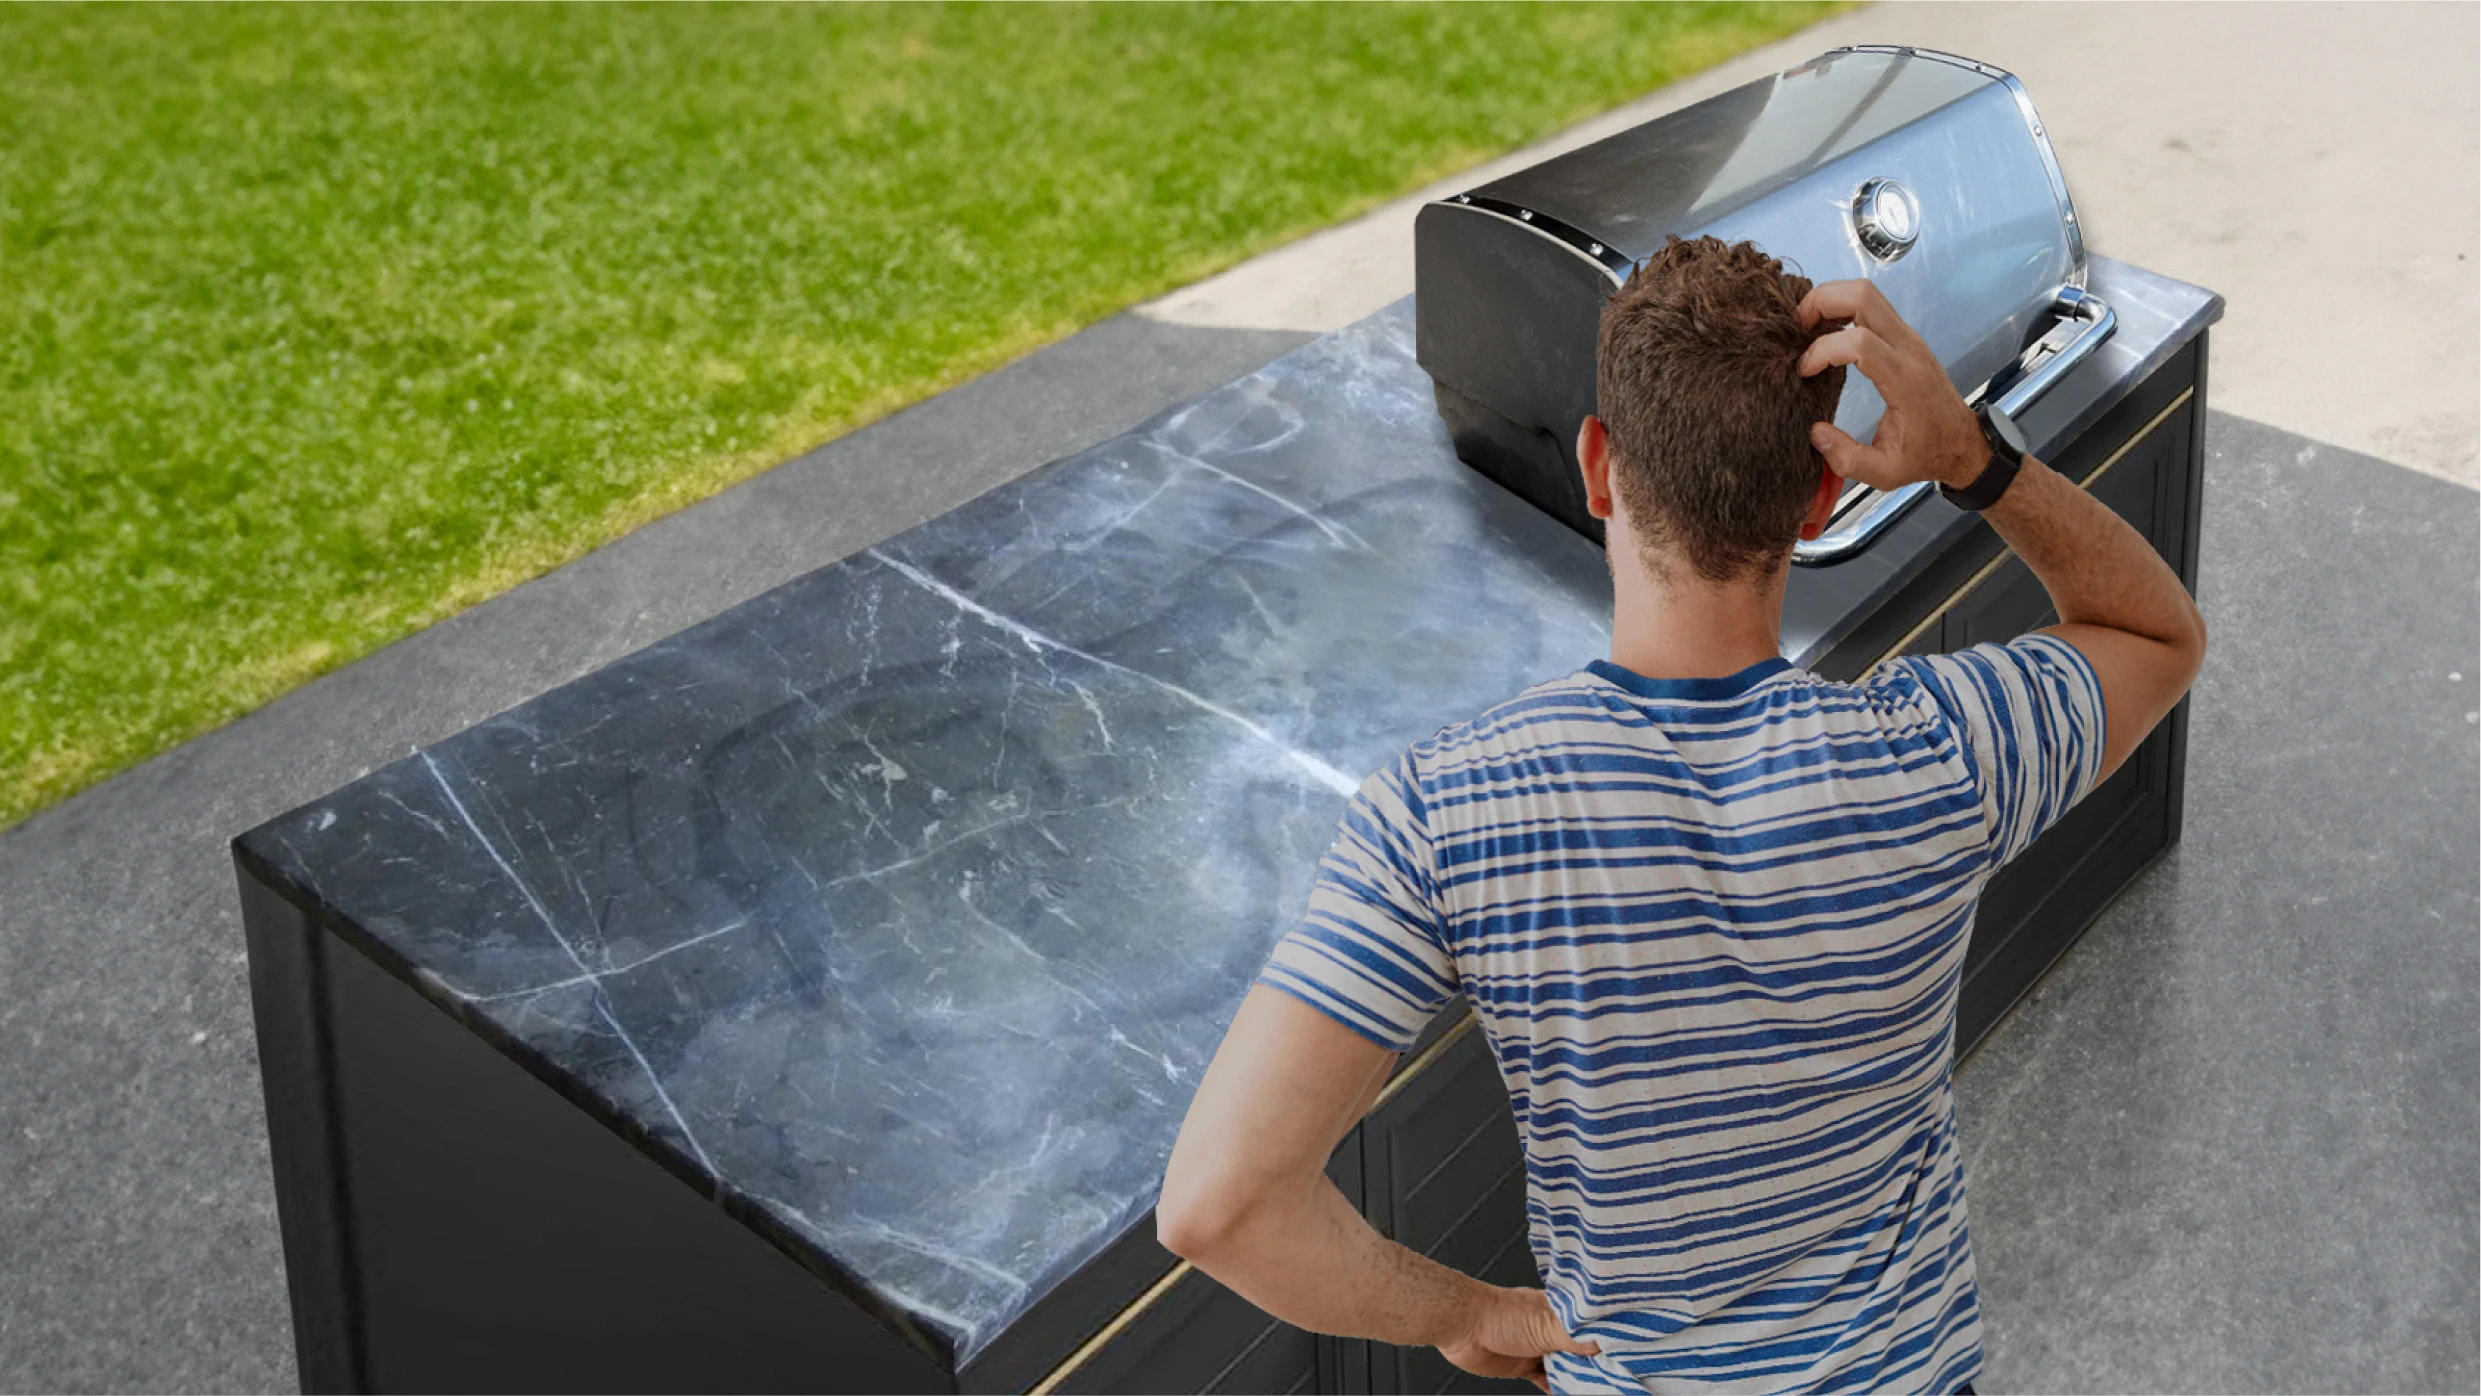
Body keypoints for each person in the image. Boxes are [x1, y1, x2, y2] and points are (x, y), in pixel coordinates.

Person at [1155, 235, 2207, 1395]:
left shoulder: (1447, 813)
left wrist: (1467, 1313)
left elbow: (1221, 1203)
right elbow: (2160, 634)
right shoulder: (1943, 749)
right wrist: (1971, 459)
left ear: (1599, 468)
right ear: (1819, 498)